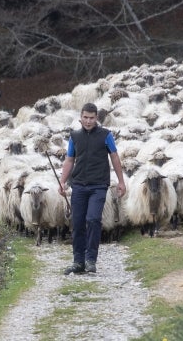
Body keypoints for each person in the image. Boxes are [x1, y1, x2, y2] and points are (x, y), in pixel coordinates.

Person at [57, 103, 127, 275]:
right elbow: (69, 160)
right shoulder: (74, 136)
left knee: (94, 219)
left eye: (92, 118)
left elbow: (115, 157)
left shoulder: (105, 135)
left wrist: (121, 181)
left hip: (99, 185)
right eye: (85, 118)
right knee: (78, 223)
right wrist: (62, 181)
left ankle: (90, 260)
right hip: (79, 185)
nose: (88, 121)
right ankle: (78, 261)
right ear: (80, 118)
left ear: (97, 118)